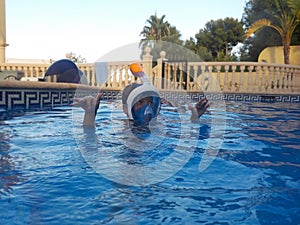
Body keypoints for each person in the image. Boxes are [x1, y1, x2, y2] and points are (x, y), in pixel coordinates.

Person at [71, 63, 209, 127]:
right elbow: (89, 137)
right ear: (126, 109)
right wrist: (89, 115)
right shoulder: (119, 125)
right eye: (141, 102)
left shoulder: (159, 124)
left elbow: (186, 134)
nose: (147, 108)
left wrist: (194, 118)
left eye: (150, 102)